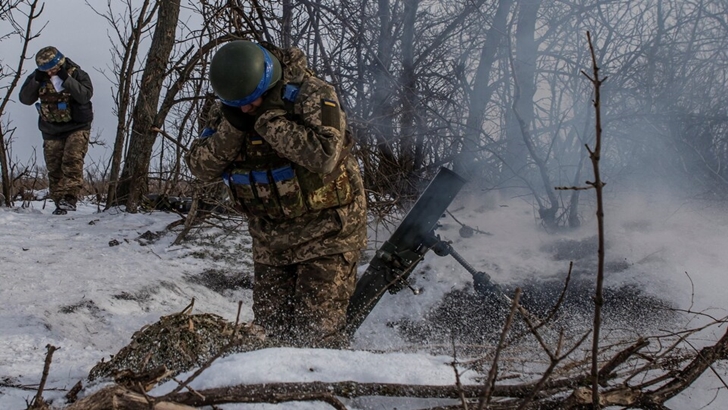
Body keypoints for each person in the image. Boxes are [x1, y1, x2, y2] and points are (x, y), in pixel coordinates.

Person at [186, 40, 367, 348]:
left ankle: (329, 390)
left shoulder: (312, 94)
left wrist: (269, 122)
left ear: (268, 80)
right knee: (271, 337)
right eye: (237, 103)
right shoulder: (230, 109)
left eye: (251, 100)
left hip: (327, 234)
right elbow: (201, 167)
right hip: (271, 241)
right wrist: (233, 128)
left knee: (316, 339)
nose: (245, 108)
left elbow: (325, 156)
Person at [19, 46, 93, 215]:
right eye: (46, 70)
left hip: (76, 126)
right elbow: (25, 99)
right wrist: (36, 81)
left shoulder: (77, 74)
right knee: (54, 167)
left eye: (53, 69)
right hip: (51, 128)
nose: (50, 73)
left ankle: (70, 198)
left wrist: (65, 78)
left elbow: (84, 95)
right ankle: (59, 202)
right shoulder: (38, 77)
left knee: (72, 160)